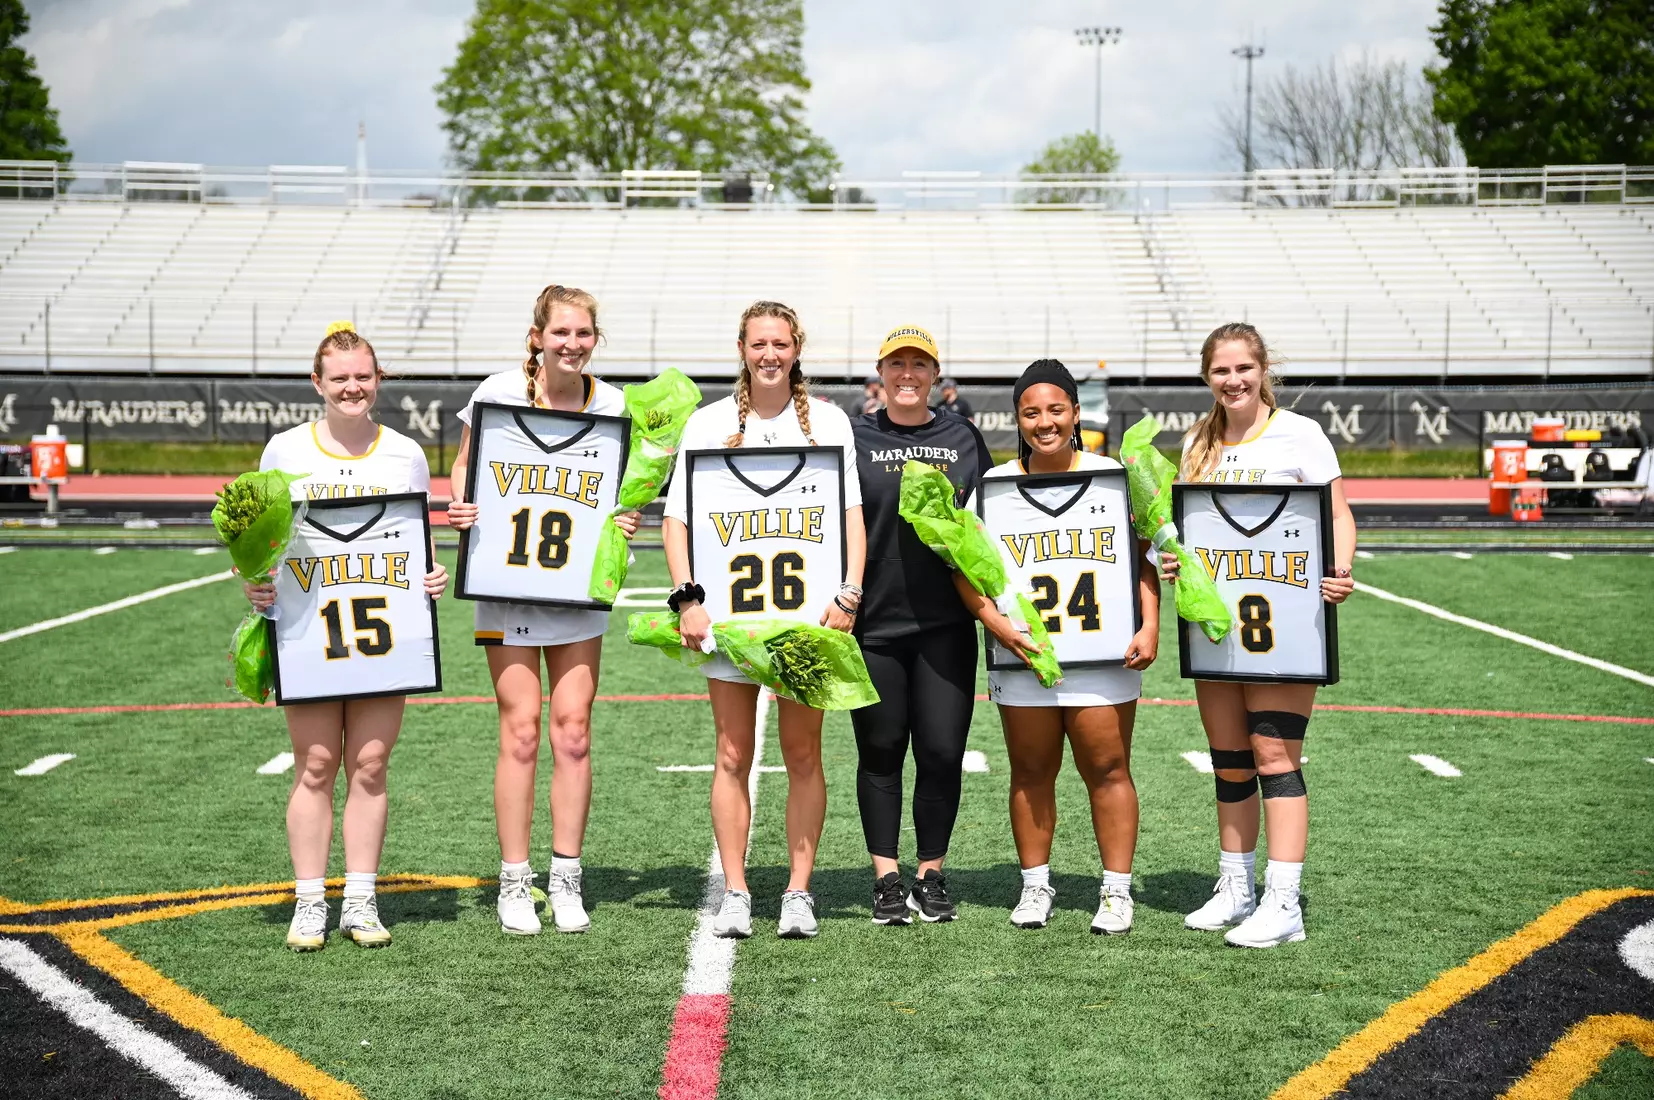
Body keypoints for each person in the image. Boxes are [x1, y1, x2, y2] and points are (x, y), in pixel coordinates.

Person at [662, 300, 866, 940]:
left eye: (781, 344)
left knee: (804, 754)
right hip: (731, 620)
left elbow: (852, 517)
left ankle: (799, 892)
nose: (770, 355)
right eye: (759, 344)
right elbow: (677, 521)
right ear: (743, 349)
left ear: (796, 348)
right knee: (731, 753)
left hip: (806, 620)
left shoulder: (830, 423)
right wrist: (686, 599)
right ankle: (738, 890)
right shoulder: (708, 424)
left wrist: (850, 593)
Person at [246, 323, 450, 951]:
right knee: (314, 764)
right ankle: (309, 902)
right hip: (309, 631)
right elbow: (261, 541)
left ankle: (360, 899)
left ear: (378, 379)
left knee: (369, 763)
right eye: (340, 378)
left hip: (385, 632)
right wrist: (255, 583)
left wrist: (432, 573)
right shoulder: (284, 451)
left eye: (363, 376)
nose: (353, 387)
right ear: (318, 383)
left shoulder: (405, 453)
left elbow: (415, 535)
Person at [446, 284, 642, 937]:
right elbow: (464, 467)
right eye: (561, 333)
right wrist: (462, 504)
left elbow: (620, 492)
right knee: (522, 729)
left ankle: (566, 877)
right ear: (537, 336)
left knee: (574, 730)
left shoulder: (613, 404)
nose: (572, 344)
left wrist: (626, 515)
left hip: (576, 587)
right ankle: (513, 879)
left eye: (583, 333)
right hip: (507, 583)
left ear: (595, 338)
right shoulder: (497, 393)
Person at [1164, 322, 1356, 948]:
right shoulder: (1197, 440)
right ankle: (1235, 885)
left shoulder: (1301, 434)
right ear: (1206, 376)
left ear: (1263, 368)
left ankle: (1284, 900)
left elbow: (1337, 511)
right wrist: (1173, 562)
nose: (1233, 380)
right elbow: (1185, 530)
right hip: (1218, 625)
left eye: (1243, 368)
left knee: (1276, 756)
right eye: (1221, 371)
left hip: (1288, 623)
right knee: (1229, 760)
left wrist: (1341, 567)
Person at [953, 360, 1161, 934]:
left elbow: (1146, 554)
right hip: (1025, 656)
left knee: (1109, 768)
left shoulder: (1114, 476)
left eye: (1055, 410)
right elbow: (965, 570)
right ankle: (1035, 886)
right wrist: (997, 626)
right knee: (1030, 771)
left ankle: (1117, 891)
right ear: (1017, 418)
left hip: (1103, 653)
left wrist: (1150, 624)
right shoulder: (993, 487)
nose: (1044, 422)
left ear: (1075, 413)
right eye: (1030, 412)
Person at [849, 325, 991, 924]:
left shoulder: (962, 437)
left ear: (936, 374)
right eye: (897, 363)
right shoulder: (853, 438)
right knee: (880, 749)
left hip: (945, 623)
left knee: (940, 750)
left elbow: (988, 525)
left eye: (920, 364)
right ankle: (886, 878)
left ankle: (931, 873)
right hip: (873, 622)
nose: (908, 374)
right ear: (880, 373)